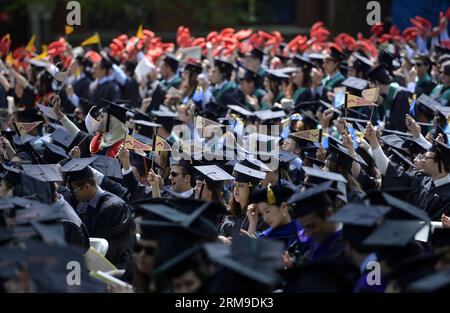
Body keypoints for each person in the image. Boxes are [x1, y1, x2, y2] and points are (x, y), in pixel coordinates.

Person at [365, 121, 450, 220]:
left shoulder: (447, 196)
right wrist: (373, 141)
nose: (423, 160)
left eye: (427, 158)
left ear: (441, 163)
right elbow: (390, 170)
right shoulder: (419, 179)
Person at [62, 157, 133, 268]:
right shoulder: (83, 204)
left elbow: (112, 247)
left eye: (73, 191)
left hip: (114, 267)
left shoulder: (115, 207)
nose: (72, 195)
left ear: (86, 187)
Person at [246, 183, 303, 248]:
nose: (265, 218)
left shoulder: (301, 234)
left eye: (267, 211)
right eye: (262, 214)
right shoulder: (266, 235)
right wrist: (253, 223)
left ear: (283, 207)